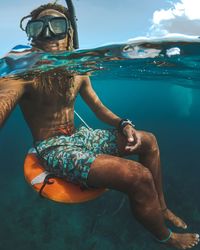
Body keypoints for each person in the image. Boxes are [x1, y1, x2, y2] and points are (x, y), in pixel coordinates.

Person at [0, 2, 199, 249]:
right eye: (38, 28)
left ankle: (162, 207)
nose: (48, 35)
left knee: (149, 140)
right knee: (138, 176)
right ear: (30, 33)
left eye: (57, 26)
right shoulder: (21, 73)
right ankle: (165, 237)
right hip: (53, 147)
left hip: (79, 137)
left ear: (69, 32)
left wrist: (123, 123)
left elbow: (99, 108)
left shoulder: (78, 72)